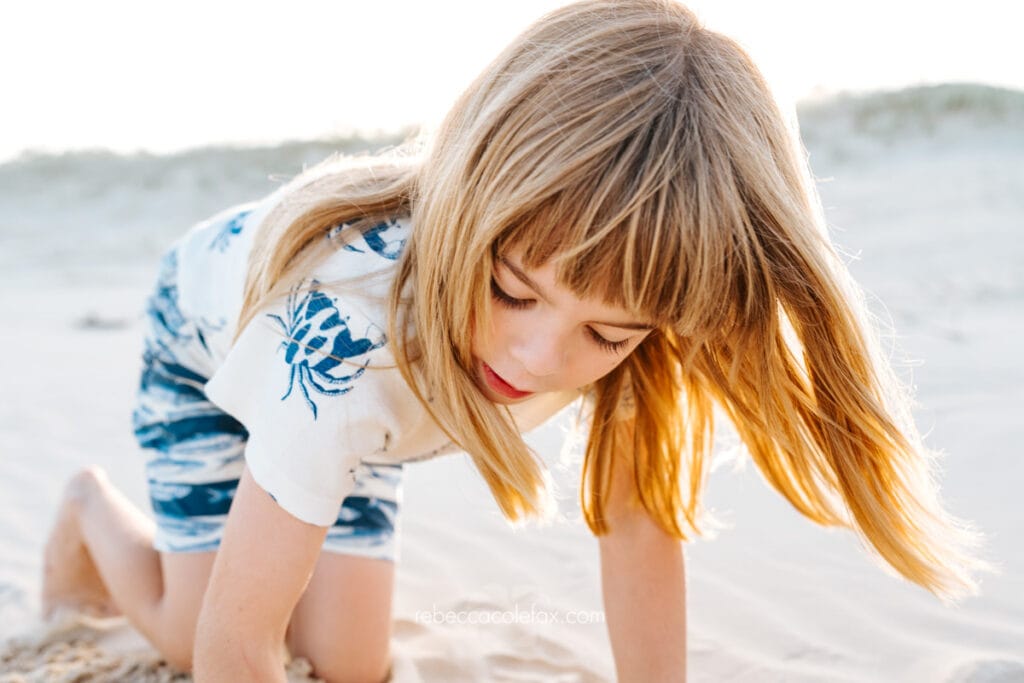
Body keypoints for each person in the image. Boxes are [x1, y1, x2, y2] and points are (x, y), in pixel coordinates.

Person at [39, 1, 991, 681]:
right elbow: (231, 652)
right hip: (220, 356)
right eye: (510, 289)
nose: (537, 360)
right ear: (467, 205)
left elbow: (639, 526)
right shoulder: (337, 342)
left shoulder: (634, 303)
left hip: (367, 410)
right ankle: (90, 511)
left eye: (607, 333)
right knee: (187, 626)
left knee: (346, 664)